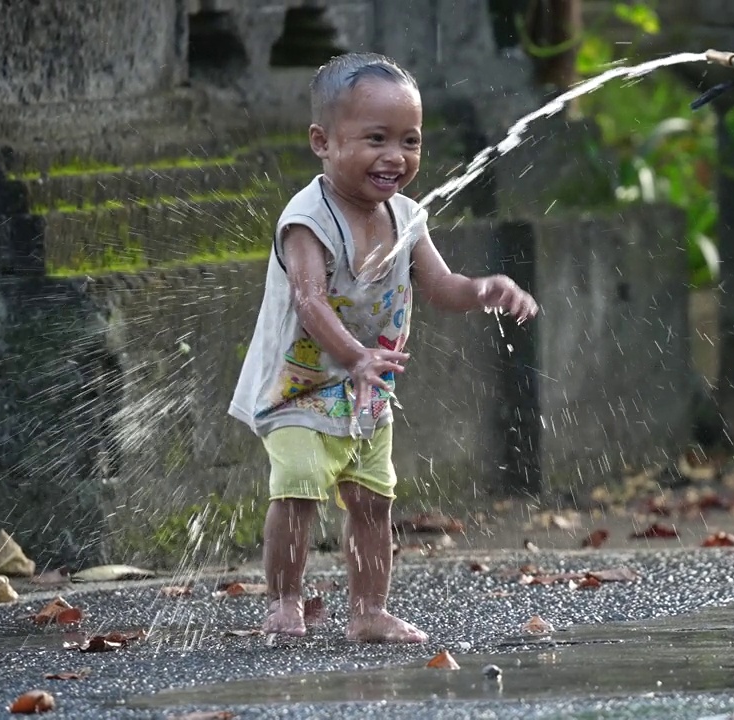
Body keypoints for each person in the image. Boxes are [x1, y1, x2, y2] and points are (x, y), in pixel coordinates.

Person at [229, 52, 538, 643]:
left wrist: (483, 290)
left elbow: (442, 287)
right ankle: (284, 602)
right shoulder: (307, 218)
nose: (396, 157)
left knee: (373, 502)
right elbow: (309, 301)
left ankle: (368, 610)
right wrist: (355, 357)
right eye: (376, 139)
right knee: (297, 488)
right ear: (323, 141)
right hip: (298, 384)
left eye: (410, 141)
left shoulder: (406, 215)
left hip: (365, 386)